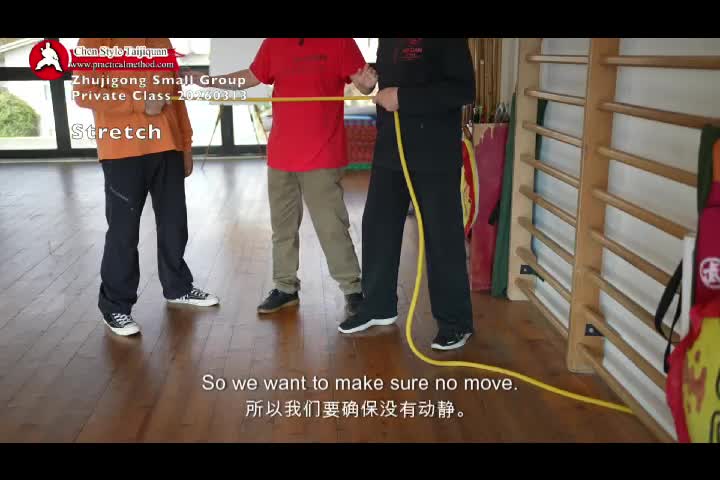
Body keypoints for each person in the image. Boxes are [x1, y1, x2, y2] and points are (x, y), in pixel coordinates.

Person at [185, 38, 377, 315]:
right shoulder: (274, 43)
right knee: (282, 228)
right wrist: (208, 81)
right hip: (281, 155)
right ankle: (285, 288)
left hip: (322, 154)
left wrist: (368, 84)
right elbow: (251, 77)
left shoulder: (340, 42)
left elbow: (363, 84)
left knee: (331, 227)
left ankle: (353, 290)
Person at [73, 37, 219, 337]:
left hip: (168, 148)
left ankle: (178, 287)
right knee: (123, 231)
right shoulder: (94, 41)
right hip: (123, 150)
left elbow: (175, 96)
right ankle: (115, 306)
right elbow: (84, 93)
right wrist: (139, 104)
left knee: (174, 223)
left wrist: (186, 145)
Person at [338, 38, 476, 351]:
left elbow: (462, 90)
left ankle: (456, 322)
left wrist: (403, 97)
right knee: (377, 227)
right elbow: (395, 76)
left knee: (442, 237)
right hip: (391, 149)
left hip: (434, 154)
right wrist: (370, 80)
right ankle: (378, 306)